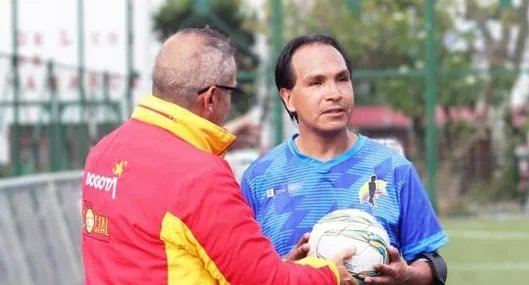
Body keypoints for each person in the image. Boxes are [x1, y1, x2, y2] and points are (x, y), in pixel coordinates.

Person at [80, 27, 358, 285]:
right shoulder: (199, 177)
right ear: (212, 98)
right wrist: (330, 273)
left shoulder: (103, 152)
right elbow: (266, 281)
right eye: (232, 92)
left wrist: (284, 265)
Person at [240, 34, 448, 285]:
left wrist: (406, 275)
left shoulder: (394, 169)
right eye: (316, 83)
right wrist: (284, 272)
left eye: (342, 79)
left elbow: (433, 264)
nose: (334, 93)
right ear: (288, 98)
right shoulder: (259, 178)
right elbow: (240, 272)